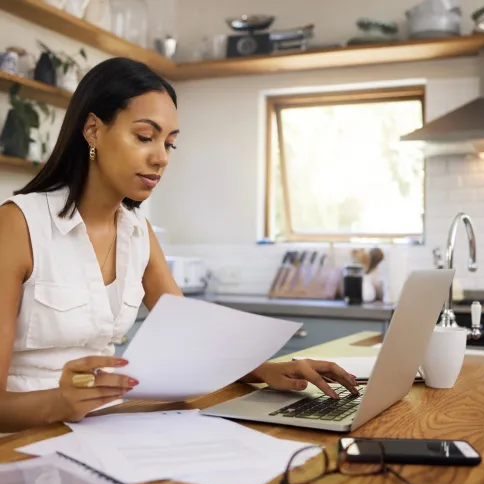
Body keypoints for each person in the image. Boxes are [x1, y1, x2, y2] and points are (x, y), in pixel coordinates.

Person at [0, 57, 358, 433]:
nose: (161, 158)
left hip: (98, 431)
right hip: (19, 444)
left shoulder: (138, 233)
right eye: (144, 137)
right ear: (92, 130)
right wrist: (59, 402)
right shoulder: (17, 225)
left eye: (170, 143)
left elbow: (191, 340)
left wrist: (268, 370)